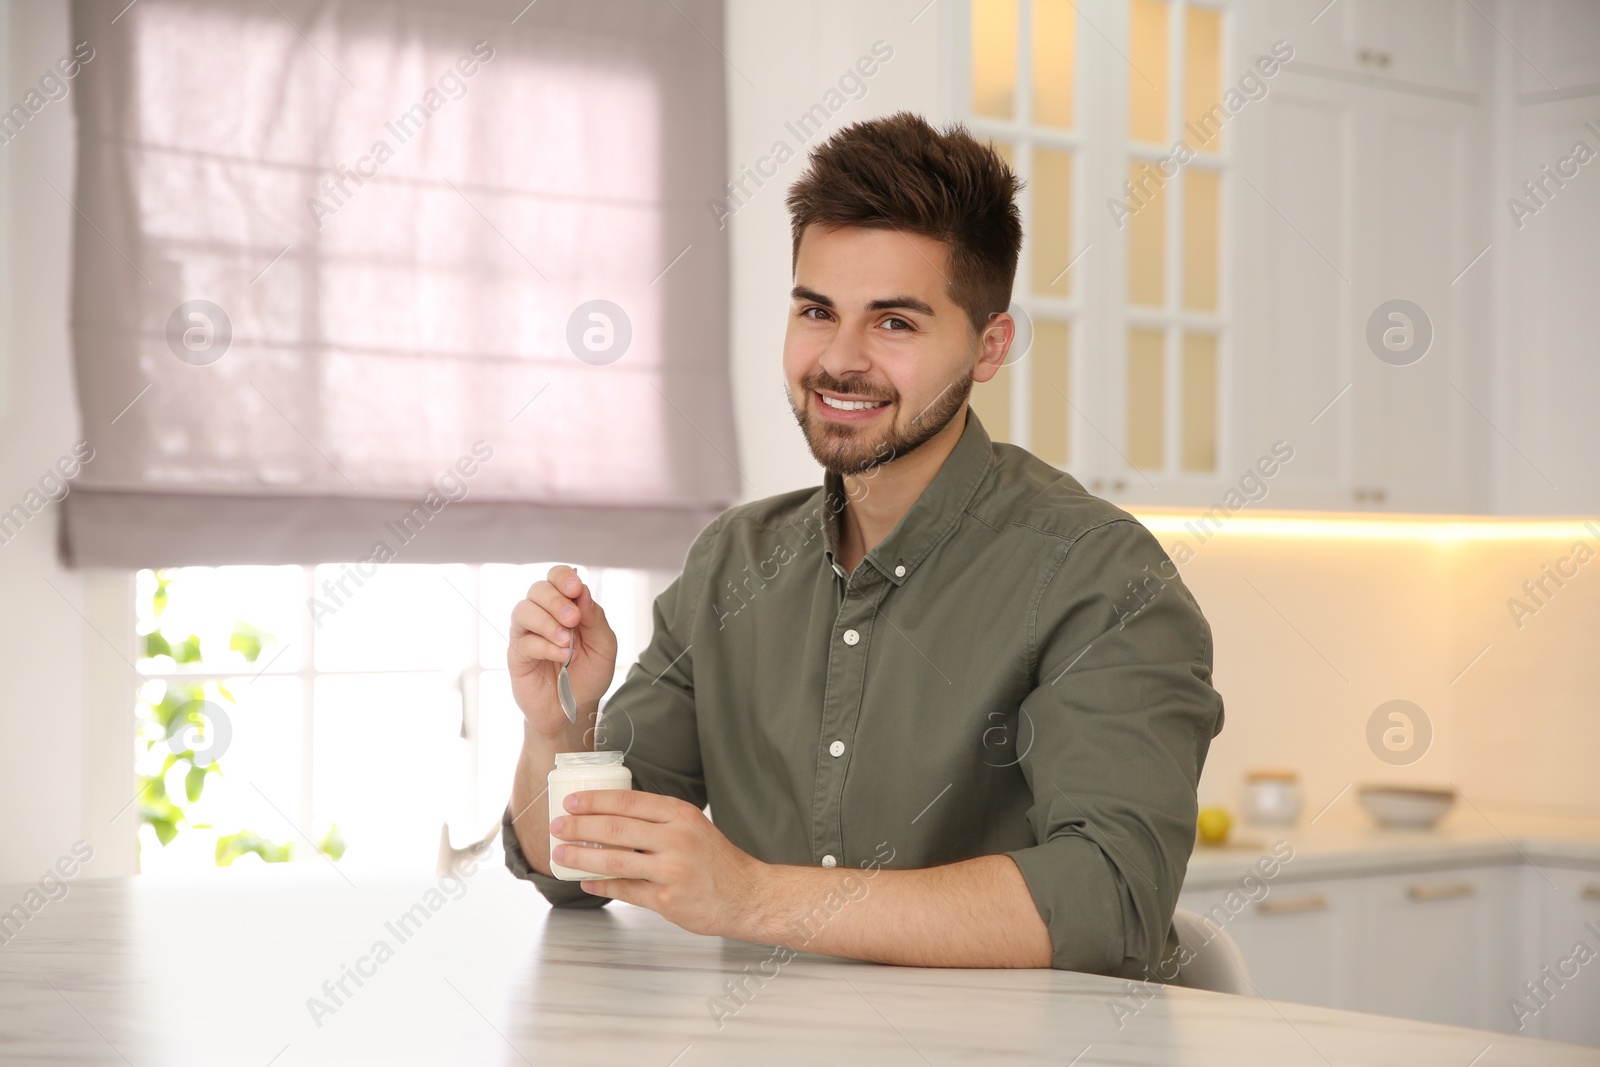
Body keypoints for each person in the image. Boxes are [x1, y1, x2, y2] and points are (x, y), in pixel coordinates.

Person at [503, 111, 1224, 977]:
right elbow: (579, 867)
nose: (838, 360)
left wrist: (752, 895)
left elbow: (1112, 900)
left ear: (989, 345)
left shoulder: (1101, 576)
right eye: (817, 310)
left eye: (895, 323)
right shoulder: (733, 562)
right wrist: (559, 730)